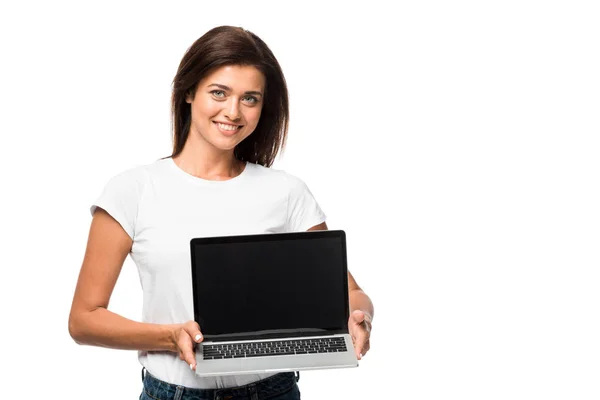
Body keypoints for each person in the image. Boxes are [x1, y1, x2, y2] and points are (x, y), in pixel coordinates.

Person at [68, 25, 374, 400]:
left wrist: (361, 318)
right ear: (188, 93)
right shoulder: (133, 190)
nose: (233, 111)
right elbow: (84, 319)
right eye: (219, 93)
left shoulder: (286, 192)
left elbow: (350, 293)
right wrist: (168, 336)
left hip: (271, 390)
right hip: (174, 393)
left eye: (250, 98)